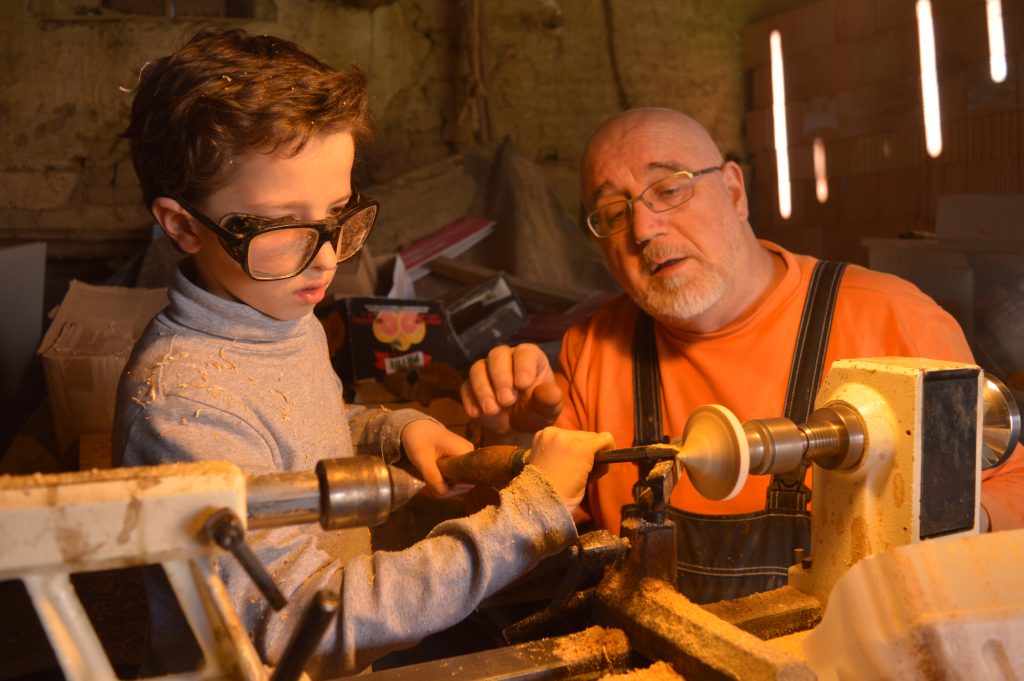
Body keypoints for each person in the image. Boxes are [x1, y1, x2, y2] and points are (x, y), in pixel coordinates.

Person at [112, 28, 613, 677]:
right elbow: (300, 623)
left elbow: (295, 434)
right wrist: (527, 517)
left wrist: (394, 432)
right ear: (182, 225)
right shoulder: (181, 406)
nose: (325, 257)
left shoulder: (273, 311)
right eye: (285, 227)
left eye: (338, 214)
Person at [461, 107, 1024, 604]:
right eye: (612, 212)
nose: (644, 228)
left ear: (733, 190)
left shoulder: (893, 320)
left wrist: (946, 524)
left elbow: (1013, 487)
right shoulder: (592, 349)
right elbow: (534, 541)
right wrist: (509, 443)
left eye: (669, 189)